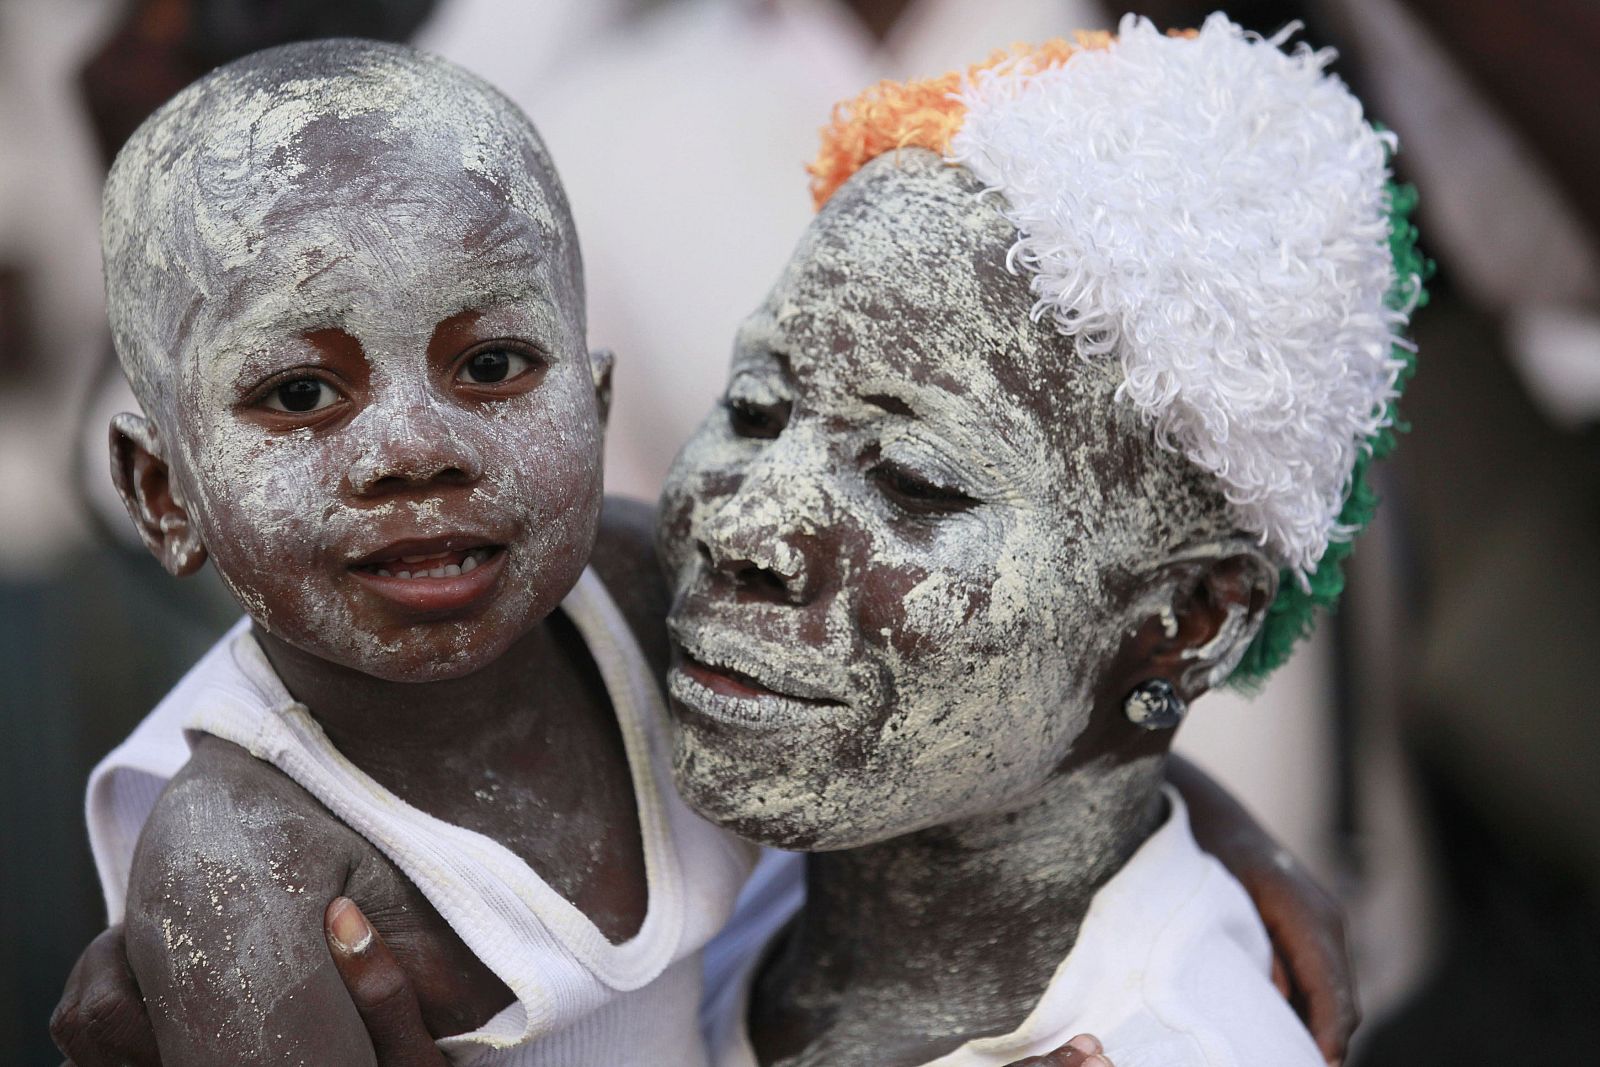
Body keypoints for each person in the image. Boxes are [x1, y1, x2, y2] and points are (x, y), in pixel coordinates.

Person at [50, 30, 1342, 1067]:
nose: (745, 522)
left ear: (597, 403)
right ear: (162, 495)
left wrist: (1198, 821)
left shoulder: (622, 600)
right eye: (758, 408)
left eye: (492, 367)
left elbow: (1083, 729)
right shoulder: (249, 870)